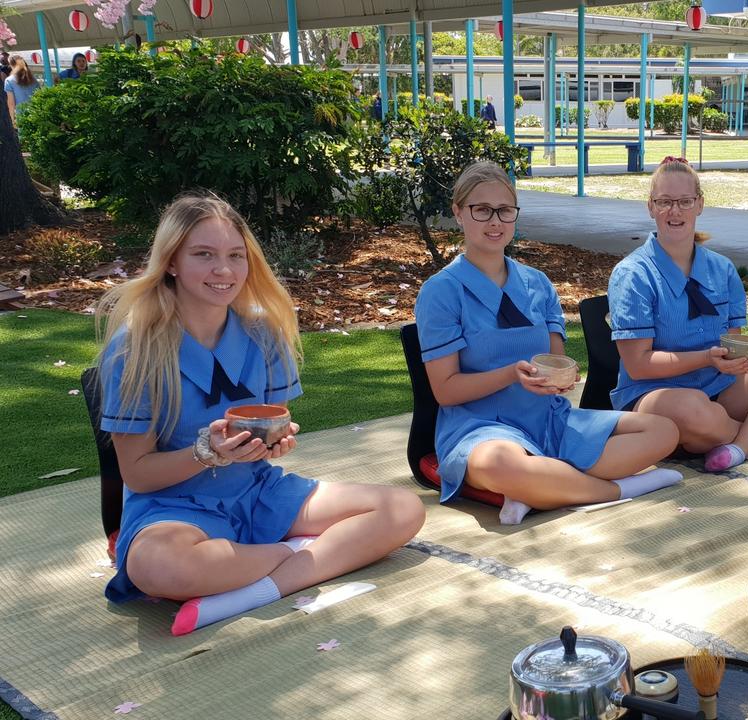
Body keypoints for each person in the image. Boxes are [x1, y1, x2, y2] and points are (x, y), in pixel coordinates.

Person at [96, 193, 425, 636]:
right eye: (204, 255)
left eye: (236, 255)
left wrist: (274, 444)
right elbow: (136, 475)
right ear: (171, 262)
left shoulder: (263, 331)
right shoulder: (135, 348)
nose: (224, 270)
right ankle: (298, 555)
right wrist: (206, 452)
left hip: (258, 493)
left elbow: (268, 443)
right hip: (171, 508)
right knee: (159, 567)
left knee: (402, 509)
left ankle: (260, 587)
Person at [414, 161, 681, 526]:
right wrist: (511, 374)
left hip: (549, 419)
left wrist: (564, 376)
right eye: (482, 210)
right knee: (502, 463)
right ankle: (620, 489)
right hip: (480, 429)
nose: (495, 221)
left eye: (505, 211)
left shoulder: (537, 283)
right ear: (458, 213)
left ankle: (540, 487)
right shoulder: (441, 291)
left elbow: (556, 361)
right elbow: (445, 391)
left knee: (662, 429)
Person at [607, 157, 748, 473]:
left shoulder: (722, 269)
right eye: (665, 202)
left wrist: (741, 361)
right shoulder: (633, 274)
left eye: (685, 201)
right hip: (654, 395)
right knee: (696, 412)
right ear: (650, 207)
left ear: (699, 204)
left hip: (717, 387)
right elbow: (638, 365)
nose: (675, 211)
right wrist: (707, 358)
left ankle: (737, 447)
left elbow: (732, 347)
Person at [4, 56, 40, 129]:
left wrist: (13, 119)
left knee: (24, 139)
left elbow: (11, 103)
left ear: (11, 65)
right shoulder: (33, 79)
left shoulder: (9, 81)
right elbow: (39, 97)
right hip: (36, 114)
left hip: (21, 116)